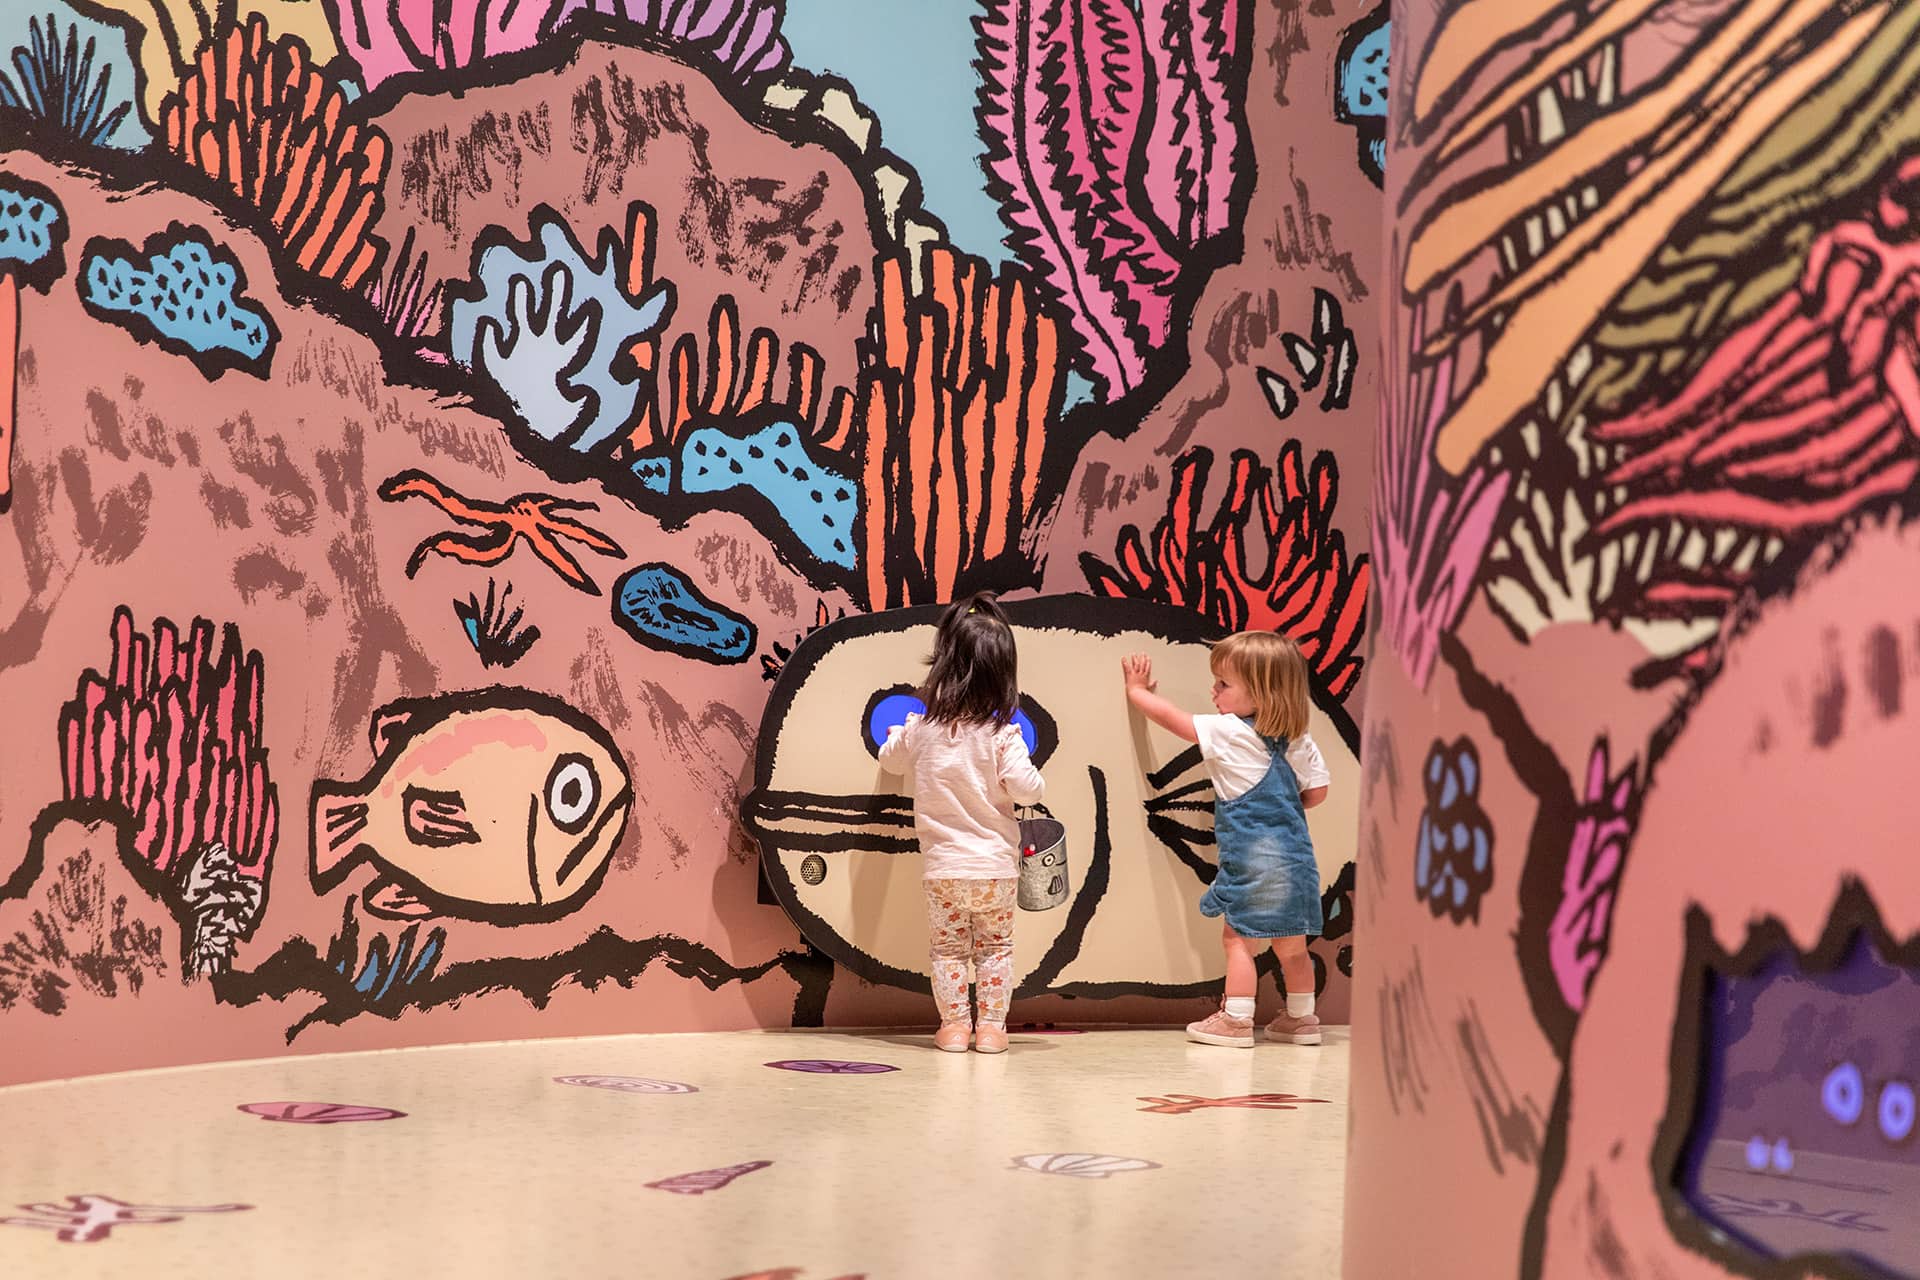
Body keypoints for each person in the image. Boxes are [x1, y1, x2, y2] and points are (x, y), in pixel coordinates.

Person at [1122, 632, 1329, 1047]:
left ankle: (1236, 1019)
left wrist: (1136, 690)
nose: (1213, 690)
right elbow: (1317, 793)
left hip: (1253, 864)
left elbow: (1172, 719)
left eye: (1223, 684)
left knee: (1238, 940)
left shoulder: (1228, 731)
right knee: (1293, 947)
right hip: (1297, 861)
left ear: (1263, 693)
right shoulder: (1299, 739)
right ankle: (1302, 1020)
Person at [878, 592, 1044, 1054]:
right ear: (1002, 674)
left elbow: (890, 762)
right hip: (994, 871)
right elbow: (1029, 789)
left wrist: (895, 733)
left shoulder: (921, 728)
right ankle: (991, 1029)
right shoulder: (1003, 734)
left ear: (943, 664)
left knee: (949, 951)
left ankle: (953, 1028)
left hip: (944, 870)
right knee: (995, 949)